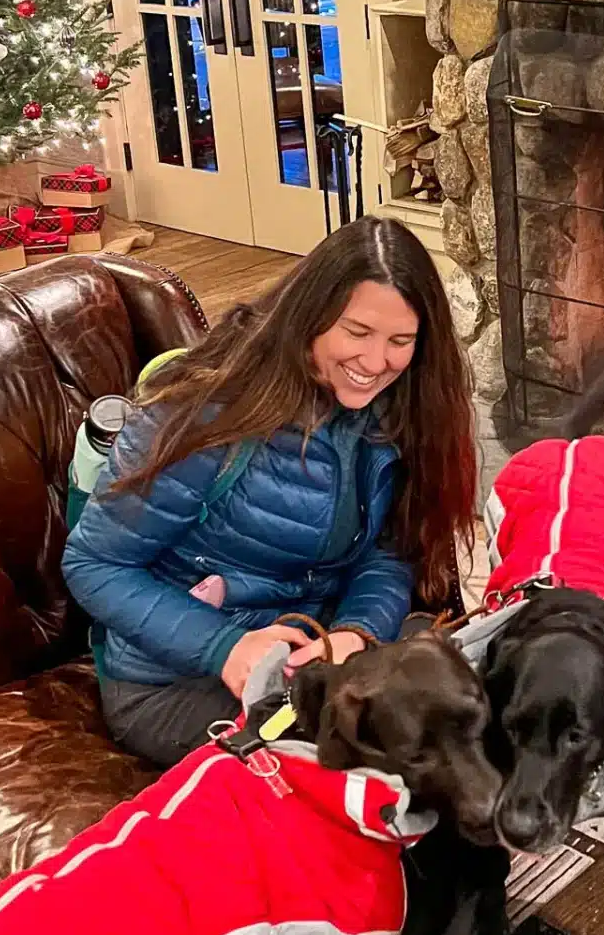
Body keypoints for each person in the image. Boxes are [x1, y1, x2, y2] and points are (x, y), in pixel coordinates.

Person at [63, 216, 476, 767]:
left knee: (463, 698)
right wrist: (224, 647)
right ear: (311, 316)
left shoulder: (394, 411)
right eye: (357, 332)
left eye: (400, 341)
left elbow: (387, 552)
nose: (377, 363)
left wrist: (355, 632)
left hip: (311, 655)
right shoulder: (200, 412)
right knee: (380, 757)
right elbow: (94, 565)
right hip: (175, 682)